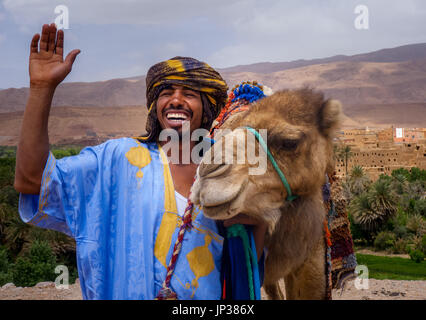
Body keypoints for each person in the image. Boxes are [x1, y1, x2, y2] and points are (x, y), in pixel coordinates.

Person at [14, 23, 266, 300]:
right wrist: (41, 89)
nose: (176, 100)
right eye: (166, 92)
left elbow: (248, 257)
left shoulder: (229, 169)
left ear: (207, 108)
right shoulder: (118, 159)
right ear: (154, 104)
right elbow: (32, 181)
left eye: (190, 94)